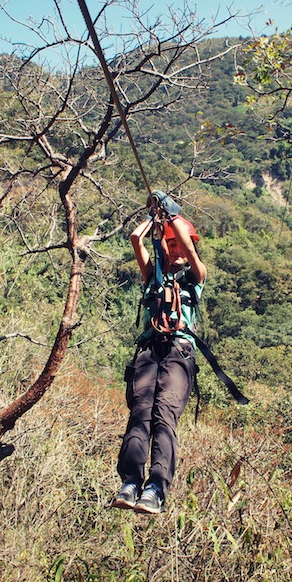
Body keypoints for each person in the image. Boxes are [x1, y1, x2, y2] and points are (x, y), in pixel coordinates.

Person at [111, 191, 207, 515]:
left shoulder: (195, 277)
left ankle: (156, 486)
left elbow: (188, 243)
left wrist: (172, 214)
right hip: (150, 349)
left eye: (179, 244)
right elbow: (136, 238)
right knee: (140, 410)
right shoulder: (154, 275)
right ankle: (130, 482)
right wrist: (154, 218)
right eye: (171, 244)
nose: (177, 248)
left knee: (164, 413)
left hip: (179, 351)